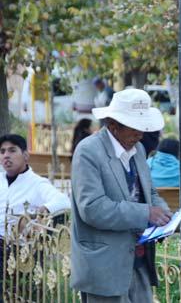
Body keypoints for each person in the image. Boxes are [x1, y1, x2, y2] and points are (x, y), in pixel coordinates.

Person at [71, 88, 172, 303]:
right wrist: (146, 213)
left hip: (139, 261)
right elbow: (92, 208)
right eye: (135, 127)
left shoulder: (139, 150)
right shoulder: (88, 151)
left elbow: (149, 193)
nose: (141, 134)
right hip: (104, 268)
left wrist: (164, 216)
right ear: (113, 125)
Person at [0, 134, 71, 235]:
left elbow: (64, 202)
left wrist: (39, 212)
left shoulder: (37, 183)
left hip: (14, 246)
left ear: (25, 156)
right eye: (2, 151)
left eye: (12, 150)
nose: (6, 155)